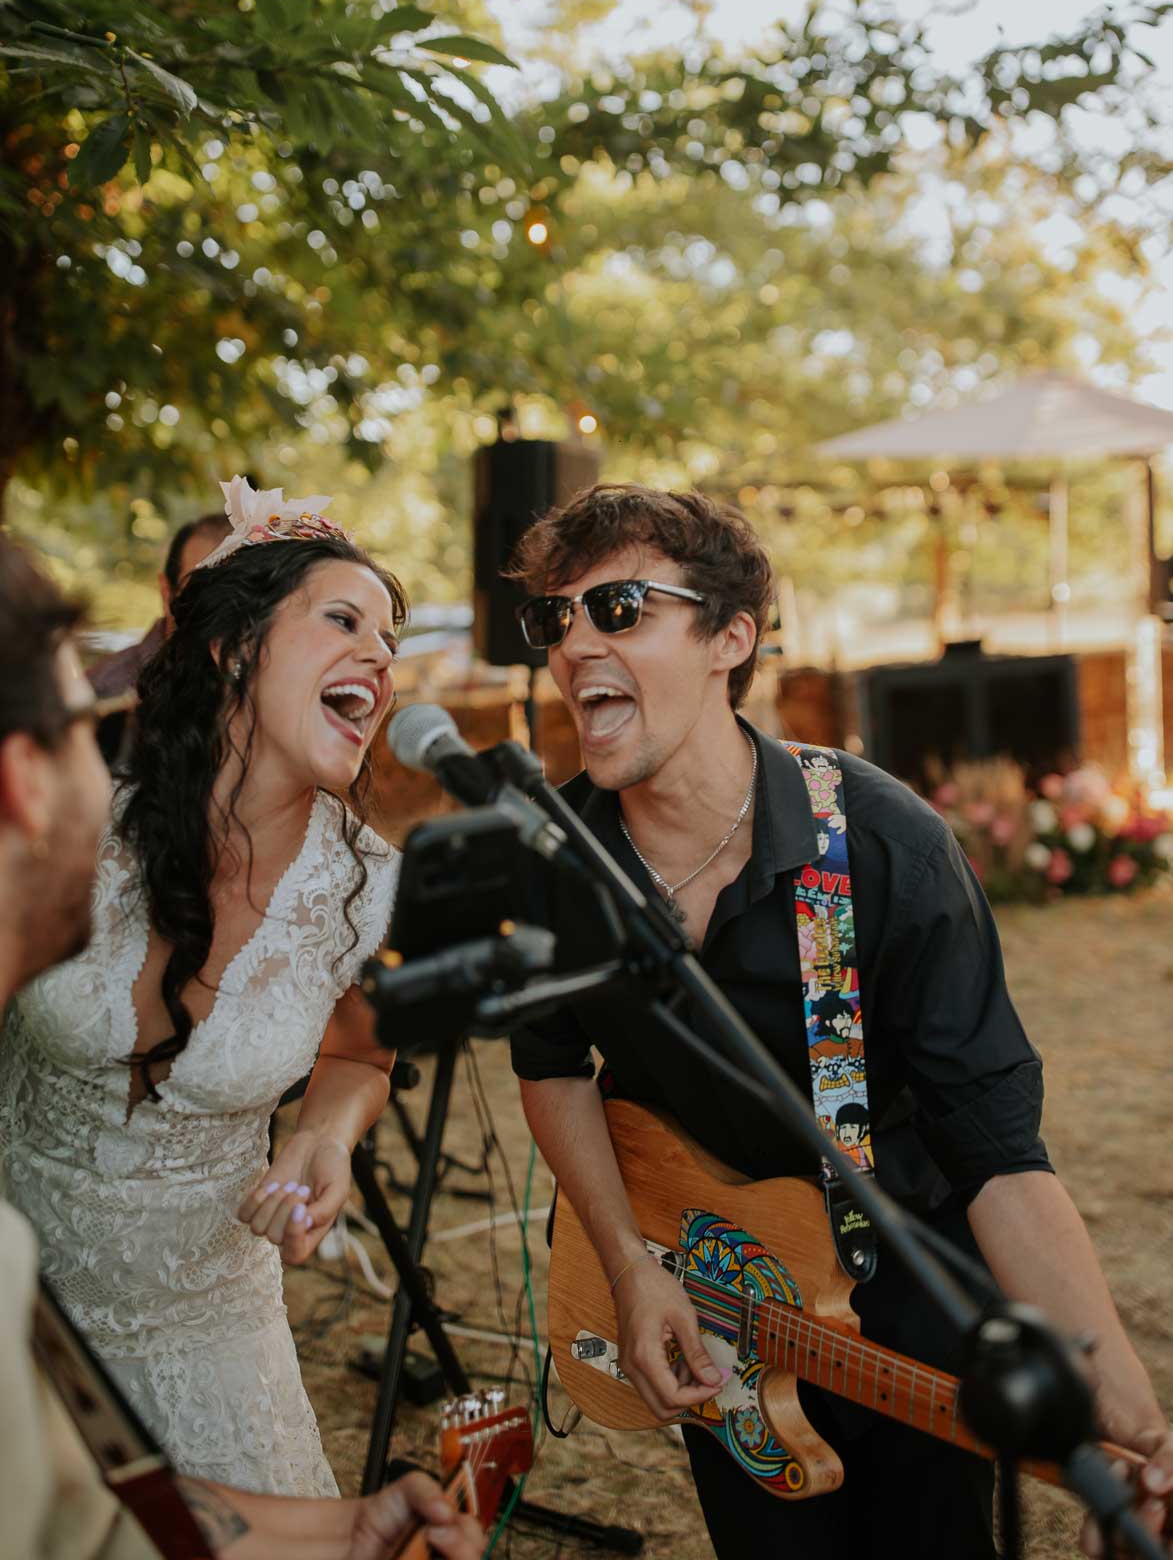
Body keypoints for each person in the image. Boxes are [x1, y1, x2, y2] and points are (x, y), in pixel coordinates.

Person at [506, 482, 1172, 1559]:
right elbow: (551, 1062)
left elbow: (999, 1156)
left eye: (618, 606)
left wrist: (1133, 1419)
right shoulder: (556, 860)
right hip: (708, 1283)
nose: (576, 641)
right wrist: (631, 1265)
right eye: (557, 617)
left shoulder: (881, 845)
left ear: (732, 637)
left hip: (907, 1301)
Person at [0, 531, 481, 1560]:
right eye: (344, 620)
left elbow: (360, 1051)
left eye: (391, 640)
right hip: (23, 1304)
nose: (381, 658)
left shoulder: (372, 890)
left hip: (210, 1331)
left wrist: (325, 1136)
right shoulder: (78, 823)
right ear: (232, 648)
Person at [87, 510, 231, 698]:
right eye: (199, 589)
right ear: (166, 593)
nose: (218, 607)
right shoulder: (105, 689)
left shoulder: (258, 682)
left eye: (237, 593)